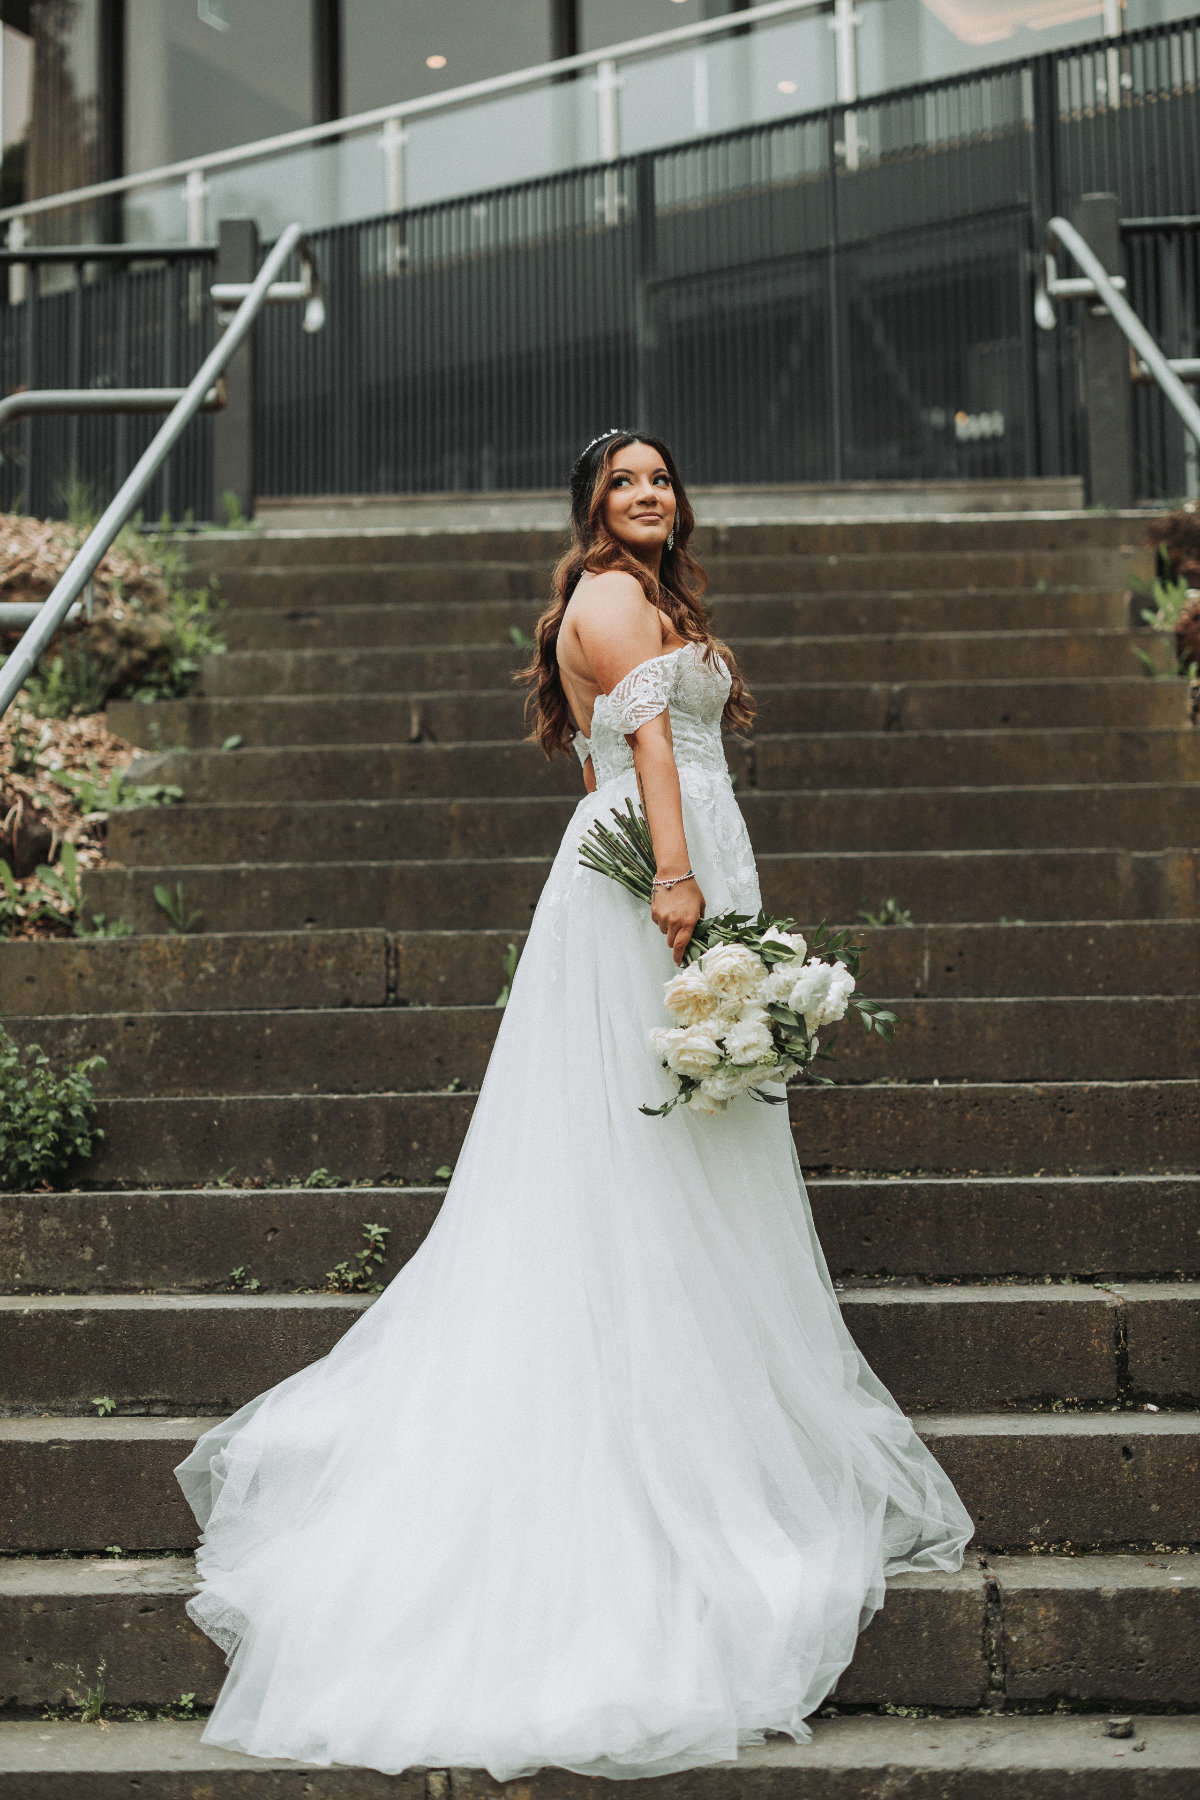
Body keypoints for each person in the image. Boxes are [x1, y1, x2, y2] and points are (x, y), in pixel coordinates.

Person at [177, 430, 972, 1781]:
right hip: (647, 885)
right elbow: (649, 744)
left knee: (688, 1138)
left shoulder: (656, 602)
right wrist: (677, 888)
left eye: (661, 479)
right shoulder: (609, 597)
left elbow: (625, 751)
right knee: (640, 1140)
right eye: (625, 484)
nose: (647, 497)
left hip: (666, 862)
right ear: (593, 508)